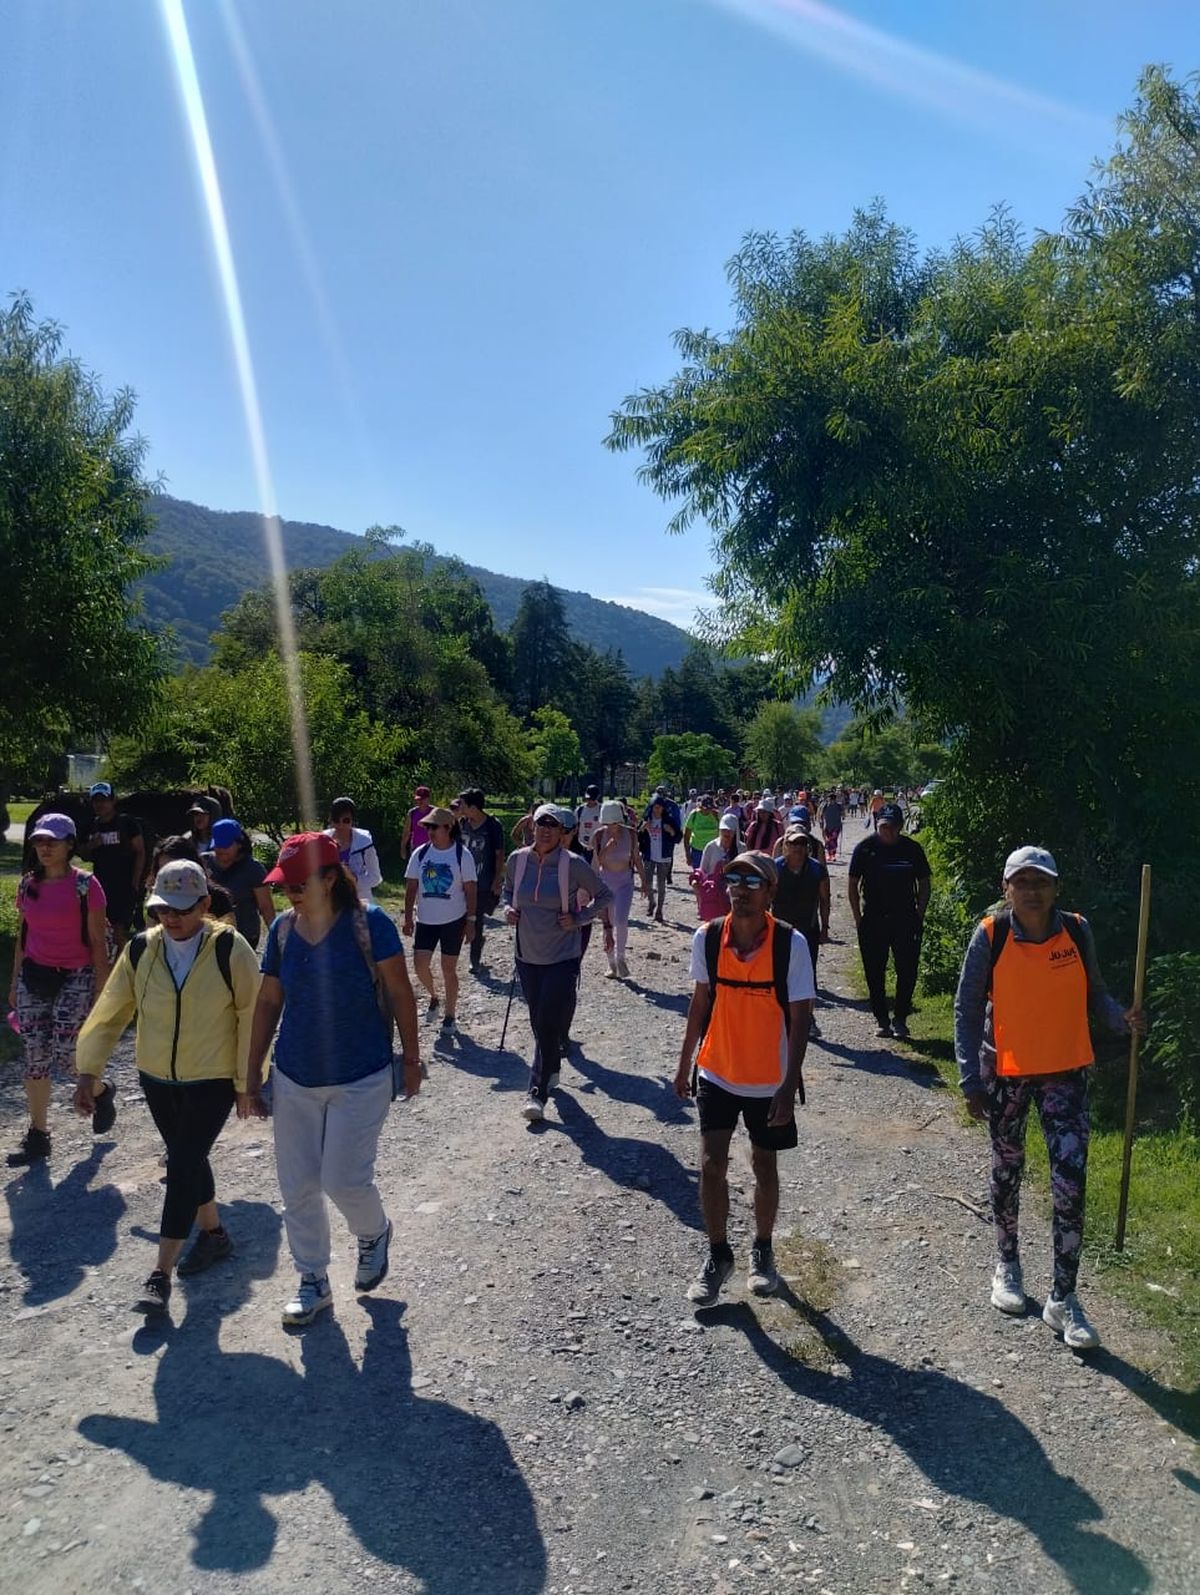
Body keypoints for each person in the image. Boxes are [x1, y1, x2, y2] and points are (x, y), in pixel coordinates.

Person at [954, 846, 1146, 1351]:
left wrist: (1119, 1018)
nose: (1032, 891)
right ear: (1007, 889)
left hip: (1065, 1074)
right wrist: (969, 1079)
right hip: (1007, 1075)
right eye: (1023, 882)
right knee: (1007, 1169)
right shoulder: (991, 935)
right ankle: (1007, 1265)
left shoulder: (1077, 931)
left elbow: (1095, 994)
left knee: (1071, 1182)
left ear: (1055, 887)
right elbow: (967, 1007)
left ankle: (1064, 1297)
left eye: (1041, 882)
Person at [247, 833, 421, 1327]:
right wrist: (250, 1074)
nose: (290, 894)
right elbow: (267, 1002)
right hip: (295, 1075)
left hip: (361, 1075)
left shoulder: (370, 924)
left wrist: (410, 1060)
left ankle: (373, 1233)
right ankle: (313, 1280)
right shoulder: (282, 930)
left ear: (330, 878)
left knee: (343, 1179)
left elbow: (400, 992)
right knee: (298, 1186)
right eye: (285, 885)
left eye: (300, 883)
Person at [74, 860, 261, 1313]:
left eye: (180, 908)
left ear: (203, 903)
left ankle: (160, 1274)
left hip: (212, 1079)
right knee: (188, 1155)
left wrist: (245, 1082)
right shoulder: (141, 949)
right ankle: (214, 1235)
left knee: (180, 1164)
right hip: (156, 1077)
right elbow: (112, 1009)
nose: (170, 917)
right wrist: (88, 1070)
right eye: (162, 908)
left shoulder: (229, 949)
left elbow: (251, 1018)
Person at [674, 852, 814, 1306]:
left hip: (767, 1078)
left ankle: (762, 1248)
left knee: (763, 1165)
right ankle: (718, 1255)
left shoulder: (790, 945)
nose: (740, 888)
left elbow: (800, 1019)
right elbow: (699, 1004)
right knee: (711, 1163)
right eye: (733, 879)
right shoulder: (708, 937)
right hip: (717, 1068)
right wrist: (683, 1064)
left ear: (770, 892)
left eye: (752, 881)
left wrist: (788, 1088)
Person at [7, 814, 113, 1167]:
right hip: (35, 976)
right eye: (39, 841)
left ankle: (102, 1091)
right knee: (35, 1056)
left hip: (76, 975)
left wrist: (101, 992)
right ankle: (38, 1136)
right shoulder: (27, 885)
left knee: (70, 1057)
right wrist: (14, 982)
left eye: (53, 841)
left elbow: (98, 943)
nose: (45, 847)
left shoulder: (86, 886)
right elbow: (24, 937)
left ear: (70, 845)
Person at [501, 804, 612, 1121]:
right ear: (532, 827)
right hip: (526, 954)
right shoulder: (517, 860)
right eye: (540, 825)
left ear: (563, 833)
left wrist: (580, 918)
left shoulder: (573, 864)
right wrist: (508, 909)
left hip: (562, 956)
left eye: (553, 826)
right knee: (539, 1022)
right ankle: (552, 1066)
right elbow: (508, 891)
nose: (546, 831)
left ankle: (537, 1092)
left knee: (548, 1020)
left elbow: (604, 895)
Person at [848, 802, 930, 1040]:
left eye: (894, 827)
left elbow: (924, 883)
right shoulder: (865, 848)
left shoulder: (912, 849)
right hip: (873, 918)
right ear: (878, 825)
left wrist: (920, 912)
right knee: (874, 971)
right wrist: (857, 917)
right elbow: (853, 883)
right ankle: (882, 1020)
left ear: (901, 826)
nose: (889, 832)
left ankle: (901, 1018)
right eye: (885, 827)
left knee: (907, 970)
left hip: (905, 918)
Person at [403, 806, 477, 1034]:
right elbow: (411, 886)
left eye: (434, 827)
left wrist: (471, 921)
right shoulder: (421, 853)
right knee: (420, 965)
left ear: (448, 828)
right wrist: (408, 918)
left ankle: (450, 1015)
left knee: (448, 968)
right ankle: (434, 996)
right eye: (427, 827)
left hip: (453, 920)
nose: (430, 831)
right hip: (426, 919)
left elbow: (470, 889)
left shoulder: (462, 855)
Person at [773, 824, 830, 1034]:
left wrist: (825, 928)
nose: (797, 847)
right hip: (779, 930)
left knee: (807, 975)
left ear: (808, 846)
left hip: (808, 930)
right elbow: (765, 898)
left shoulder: (817, 870)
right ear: (785, 845)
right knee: (778, 974)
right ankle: (780, 1017)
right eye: (793, 843)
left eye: (802, 843)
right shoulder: (775, 868)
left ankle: (808, 1018)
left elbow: (825, 899)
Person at [77, 782, 146, 950]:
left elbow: (140, 851)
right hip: (100, 885)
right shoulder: (91, 826)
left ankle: (123, 969)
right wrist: (91, 845)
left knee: (119, 932)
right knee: (98, 930)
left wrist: (136, 881)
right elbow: (83, 854)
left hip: (124, 885)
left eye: (104, 800)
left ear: (113, 800)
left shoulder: (127, 823)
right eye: (96, 800)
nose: (100, 804)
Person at [592, 799, 648, 978]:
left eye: (615, 823)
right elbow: (596, 863)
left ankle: (621, 957)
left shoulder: (631, 834)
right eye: (608, 824)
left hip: (625, 882)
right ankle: (611, 963)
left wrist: (644, 881)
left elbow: (637, 858)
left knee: (621, 921)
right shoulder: (599, 835)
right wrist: (607, 848)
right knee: (607, 924)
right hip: (605, 883)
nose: (612, 827)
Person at [202, 818, 274, 949]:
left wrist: (276, 939)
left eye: (226, 845)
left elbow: (266, 907)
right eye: (218, 845)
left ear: (239, 844)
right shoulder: (202, 863)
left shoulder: (253, 869)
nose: (221, 850)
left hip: (244, 936)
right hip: (209, 936)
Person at [457, 788, 506, 970]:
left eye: (462, 804)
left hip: (482, 882)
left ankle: (474, 959)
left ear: (473, 806)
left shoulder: (493, 826)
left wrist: (497, 879)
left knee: (475, 920)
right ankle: (476, 942)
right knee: (461, 919)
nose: (460, 807)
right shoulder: (462, 824)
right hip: (461, 882)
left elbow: (499, 854)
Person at [324, 797, 383, 904]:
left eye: (346, 820)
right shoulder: (322, 841)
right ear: (330, 820)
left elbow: (375, 878)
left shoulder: (365, 843)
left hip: (359, 900)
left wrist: (353, 880)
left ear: (353, 821)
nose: (341, 825)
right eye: (336, 820)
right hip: (330, 901)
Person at [639, 795, 680, 923]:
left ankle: (659, 910)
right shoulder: (646, 820)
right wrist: (642, 829)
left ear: (663, 808)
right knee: (648, 882)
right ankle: (651, 902)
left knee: (661, 885)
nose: (657, 810)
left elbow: (678, 837)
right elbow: (638, 838)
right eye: (655, 807)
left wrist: (671, 832)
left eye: (659, 808)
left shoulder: (669, 820)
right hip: (649, 856)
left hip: (664, 856)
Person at [683, 795, 720, 869]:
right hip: (697, 850)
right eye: (705, 808)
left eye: (710, 808)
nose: (707, 811)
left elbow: (722, 833)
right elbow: (686, 835)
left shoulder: (716, 815)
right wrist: (687, 854)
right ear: (701, 806)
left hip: (713, 850)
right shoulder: (694, 815)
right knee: (698, 875)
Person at [400, 785, 434, 858]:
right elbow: (406, 832)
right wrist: (403, 847)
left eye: (423, 799)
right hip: (416, 847)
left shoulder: (434, 812)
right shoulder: (412, 813)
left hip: (432, 847)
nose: (420, 801)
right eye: (418, 799)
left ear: (428, 799)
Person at [575, 785, 604, 860]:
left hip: (598, 848)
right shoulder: (580, 810)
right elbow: (575, 828)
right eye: (589, 798)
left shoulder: (602, 810)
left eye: (592, 798)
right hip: (582, 847)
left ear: (597, 797)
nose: (590, 800)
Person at [819, 793, 844, 863]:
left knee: (833, 840)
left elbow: (843, 814)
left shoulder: (838, 806)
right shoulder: (825, 805)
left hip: (836, 826)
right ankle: (829, 854)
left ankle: (833, 855)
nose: (831, 800)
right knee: (828, 841)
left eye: (833, 799)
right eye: (830, 799)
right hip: (827, 826)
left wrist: (842, 814)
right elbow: (821, 814)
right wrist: (821, 822)